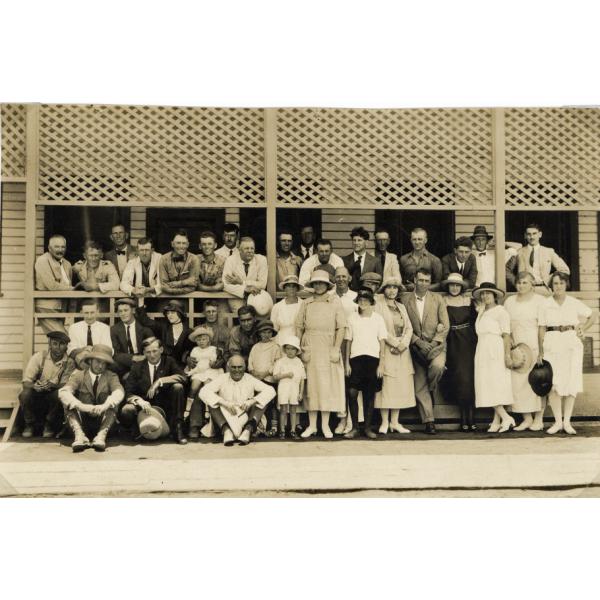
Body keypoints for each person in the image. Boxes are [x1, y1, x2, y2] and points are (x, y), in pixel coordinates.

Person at [538, 272, 596, 435]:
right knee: (554, 383)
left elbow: (593, 315)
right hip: (552, 342)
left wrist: (582, 329)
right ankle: (557, 422)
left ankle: (567, 422)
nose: (558, 286)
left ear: (566, 285)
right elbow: (542, 327)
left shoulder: (573, 302)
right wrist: (541, 350)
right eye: (555, 283)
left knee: (571, 382)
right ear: (551, 286)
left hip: (571, 342)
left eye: (561, 283)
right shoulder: (545, 304)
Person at [295, 271, 346, 439]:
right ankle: (311, 426)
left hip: (328, 346)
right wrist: (300, 348)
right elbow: (299, 327)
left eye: (321, 283)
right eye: (315, 283)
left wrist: (335, 348)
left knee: (326, 387)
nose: (318, 286)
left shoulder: (335, 302)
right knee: (312, 388)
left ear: (327, 285)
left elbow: (341, 328)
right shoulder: (306, 303)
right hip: (310, 347)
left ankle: (325, 426)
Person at [400, 268, 449, 434]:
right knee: (419, 384)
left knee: (437, 367)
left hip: (436, 347)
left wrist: (434, 342)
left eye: (427, 281)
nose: (423, 284)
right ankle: (429, 421)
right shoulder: (405, 300)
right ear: (415, 280)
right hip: (415, 348)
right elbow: (404, 325)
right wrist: (418, 342)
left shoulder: (438, 299)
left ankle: (432, 388)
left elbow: (445, 325)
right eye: (420, 280)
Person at [120, 336, 189, 444]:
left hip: (165, 407)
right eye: (148, 352)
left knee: (178, 387)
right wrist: (139, 401)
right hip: (144, 407)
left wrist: (160, 381)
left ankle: (177, 429)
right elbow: (128, 391)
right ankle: (137, 431)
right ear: (143, 352)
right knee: (127, 410)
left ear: (161, 350)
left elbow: (183, 377)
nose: (152, 355)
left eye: (155, 351)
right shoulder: (137, 366)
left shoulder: (169, 361)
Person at [58, 344, 124, 452]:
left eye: (104, 363)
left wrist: (105, 405)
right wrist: (81, 406)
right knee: (68, 404)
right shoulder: (79, 375)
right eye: (98, 361)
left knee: (113, 405)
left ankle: (101, 437)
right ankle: (80, 437)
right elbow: (63, 392)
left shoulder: (111, 376)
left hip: (104, 421)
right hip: (81, 421)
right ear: (90, 361)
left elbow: (119, 392)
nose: (100, 366)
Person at [199, 355, 276, 446]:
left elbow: (271, 390)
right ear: (228, 367)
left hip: (246, 417)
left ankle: (247, 431)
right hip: (226, 416)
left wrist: (252, 401)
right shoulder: (222, 378)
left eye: (240, 367)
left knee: (262, 400)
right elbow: (203, 392)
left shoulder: (249, 378)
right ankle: (227, 431)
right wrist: (224, 403)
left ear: (244, 367)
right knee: (212, 402)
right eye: (233, 367)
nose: (237, 370)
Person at [504, 272, 546, 430]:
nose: (521, 286)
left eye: (525, 283)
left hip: (534, 344)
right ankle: (526, 418)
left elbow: (542, 326)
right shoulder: (509, 302)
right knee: (518, 383)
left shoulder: (540, 301)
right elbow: (506, 325)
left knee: (537, 381)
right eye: (519, 283)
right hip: (517, 347)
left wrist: (541, 350)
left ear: (532, 284)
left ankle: (539, 418)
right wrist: (510, 343)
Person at [343, 289, 387, 439]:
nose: (363, 302)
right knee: (352, 392)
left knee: (369, 394)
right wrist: (347, 363)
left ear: (371, 302)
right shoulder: (352, 318)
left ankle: (367, 428)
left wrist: (381, 364)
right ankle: (355, 428)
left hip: (373, 359)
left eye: (366, 300)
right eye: (361, 299)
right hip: (355, 359)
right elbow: (348, 341)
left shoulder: (378, 319)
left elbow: (382, 343)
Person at [374, 276, 415, 434]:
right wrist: (395, 344)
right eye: (389, 287)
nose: (392, 291)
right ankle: (384, 422)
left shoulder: (401, 306)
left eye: (395, 288)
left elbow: (409, 328)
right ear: (384, 290)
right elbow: (380, 328)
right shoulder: (378, 306)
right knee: (387, 385)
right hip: (387, 349)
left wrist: (403, 344)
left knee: (400, 385)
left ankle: (395, 422)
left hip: (402, 351)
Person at [472, 282, 515, 432]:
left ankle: (507, 417)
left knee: (495, 384)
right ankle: (497, 421)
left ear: (494, 295)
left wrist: (507, 355)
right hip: (482, 348)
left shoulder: (501, 311)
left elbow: (506, 335)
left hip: (495, 349)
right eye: (482, 293)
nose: (485, 296)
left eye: (488, 293)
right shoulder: (481, 310)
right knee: (487, 384)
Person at [19, 331, 76, 438]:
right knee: (25, 394)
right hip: (37, 393)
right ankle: (29, 424)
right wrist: (34, 386)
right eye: (55, 344)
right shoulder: (39, 357)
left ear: (66, 346)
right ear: (49, 344)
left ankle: (49, 425)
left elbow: (67, 384)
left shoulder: (69, 362)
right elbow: (26, 381)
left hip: (53, 394)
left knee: (59, 394)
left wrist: (53, 386)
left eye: (62, 344)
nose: (58, 347)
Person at [440, 272, 477, 431]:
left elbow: (476, 321)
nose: (454, 288)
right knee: (459, 377)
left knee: (470, 377)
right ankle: (463, 418)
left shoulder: (470, 301)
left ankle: (472, 417)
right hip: (452, 341)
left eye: (457, 285)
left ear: (461, 287)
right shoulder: (443, 300)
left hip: (468, 341)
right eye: (452, 285)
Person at [185, 326, 224, 439]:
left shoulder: (213, 349)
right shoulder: (195, 350)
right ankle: (189, 410)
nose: (201, 342)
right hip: (198, 371)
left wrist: (217, 361)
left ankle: (208, 413)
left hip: (211, 371)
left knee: (207, 388)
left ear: (209, 340)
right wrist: (191, 367)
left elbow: (214, 361)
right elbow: (193, 362)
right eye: (199, 339)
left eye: (204, 339)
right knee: (195, 386)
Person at [333, 266, 358, 435]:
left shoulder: (356, 297)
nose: (341, 279)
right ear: (334, 279)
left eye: (344, 276)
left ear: (349, 278)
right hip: (336, 343)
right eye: (338, 276)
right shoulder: (330, 297)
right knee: (339, 383)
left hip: (353, 343)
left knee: (352, 383)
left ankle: (352, 420)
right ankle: (341, 418)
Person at [248, 320, 282, 436]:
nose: (266, 335)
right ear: (259, 334)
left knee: (271, 404)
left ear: (272, 333)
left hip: (269, 379)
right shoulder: (255, 347)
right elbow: (250, 362)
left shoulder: (275, 347)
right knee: (259, 403)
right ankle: (259, 427)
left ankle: (273, 428)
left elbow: (277, 363)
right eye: (263, 332)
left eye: (268, 332)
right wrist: (253, 371)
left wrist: (266, 373)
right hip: (257, 380)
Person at [34, 234, 73, 334]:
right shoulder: (42, 260)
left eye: (63, 247)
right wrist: (73, 289)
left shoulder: (67, 264)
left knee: (55, 340)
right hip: (46, 307)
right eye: (56, 246)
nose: (60, 250)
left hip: (62, 307)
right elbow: (51, 285)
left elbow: (68, 283)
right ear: (49, 248)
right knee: (62, 336)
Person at [136, 299, 193, 366]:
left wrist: (186, 358)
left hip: (181, 366)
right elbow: (145, 321)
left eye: (173, 313)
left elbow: (191, 350)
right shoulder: (163, 327)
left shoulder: (188, 331)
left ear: (180, 313)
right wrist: (141, 300)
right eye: (168, 313)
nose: (170, 315)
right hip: (163, 366)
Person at [516, 223, 570, 293]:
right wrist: (517, 283)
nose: (531, 237)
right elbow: (507, 270)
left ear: (540, 234)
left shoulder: (548, 251)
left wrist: (549, 280)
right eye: (529, 234)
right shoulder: (519, 252)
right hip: (526, 290)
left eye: (534, 233)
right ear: (525, 236)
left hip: (544, 289)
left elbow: (565, 270)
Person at [222, 236, 268, 314]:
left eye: (252, 248)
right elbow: (225, 284)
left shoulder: (261, 259)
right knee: (241, 318)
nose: (250, 251)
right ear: (239, 250)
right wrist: (244, 289)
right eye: (246, 248)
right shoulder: (231, 260)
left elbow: (262, 284)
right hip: (237, 298)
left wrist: (242, 282)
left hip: (256, 298)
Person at [273, 335, 306, 439]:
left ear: (297, 350)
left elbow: (302, 379)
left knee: (293, 410)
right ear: (285, 349)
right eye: (288, 348)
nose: (290, 351)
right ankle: (282, 430)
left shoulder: (299, 362)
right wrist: (285, 375)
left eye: (293, 349)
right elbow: (275, 376)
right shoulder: (281, 361)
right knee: (283, 409)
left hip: (294, 388)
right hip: (284, 387)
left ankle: (292, 430)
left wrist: (301, 392)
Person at [110, 298, 154, 376]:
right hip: (125, 362)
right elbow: (116, 353)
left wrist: (143, 357)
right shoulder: (114, 330)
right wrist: (132, 358)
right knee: (112, 366)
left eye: (126, 310)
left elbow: (152, 347)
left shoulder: (144, 328)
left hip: (143, 360)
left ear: (133, 311)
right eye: (120, 311)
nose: (123, 314)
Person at [120, 237, 162, 304]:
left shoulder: (160, 259)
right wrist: (133, 290)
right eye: (141, 250)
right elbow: (123, 284)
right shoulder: (132, 261)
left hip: (157, 298)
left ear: (152, 250)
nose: (144, 253)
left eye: (147, 250)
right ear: (137, 250)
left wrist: (148, 290)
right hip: (138, 298)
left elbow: (163, 283)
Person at [158, 229, 200, 295]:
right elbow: (164, 286)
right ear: (172, 244)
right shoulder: (164, 259)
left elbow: (194, 284)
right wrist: (186, 282)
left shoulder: (194, 259)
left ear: (188, 244)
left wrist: (178, 284)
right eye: (178, 243)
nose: (181, 246)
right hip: (168, 297)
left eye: (184, 243)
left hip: (188, 297)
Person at [342, 226, 383, 291]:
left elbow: (379, 282)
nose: (356, 243)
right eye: (354, 240)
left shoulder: (375, 261)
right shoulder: (344, 260)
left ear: (366, 242)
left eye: (359, 240)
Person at [271, 274, 304, 343]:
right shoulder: (277, 306)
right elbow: (274, 329)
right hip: (282, 340)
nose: (291, 289)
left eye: (294, 286)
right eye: (288, 286)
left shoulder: (303, 304)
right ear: (284, 288)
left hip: (298, 340)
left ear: (297, 288)